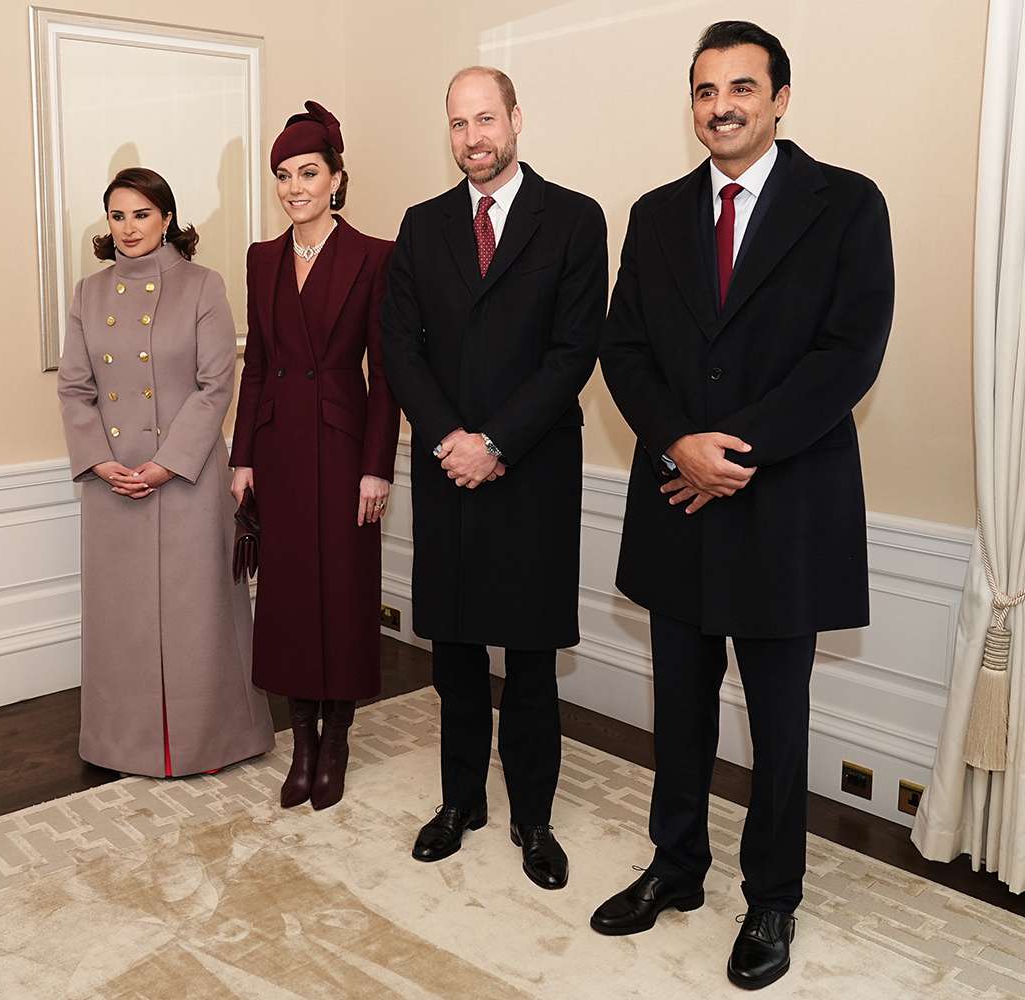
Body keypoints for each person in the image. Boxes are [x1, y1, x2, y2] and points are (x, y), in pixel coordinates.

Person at [592, 21, 894, 990]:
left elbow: (849, 353)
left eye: (741, 88)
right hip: (678, 499)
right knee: (677, 708)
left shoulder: (845, 205)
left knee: (778, 719)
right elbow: (623, 347)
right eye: (704, 90)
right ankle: (676, 866)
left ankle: (773, 897)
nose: (720, 105)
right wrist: (680, 442)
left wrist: (737, 453)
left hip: (783, 510)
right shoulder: (654, 212)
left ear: (781, 97)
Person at [381, 67, 606, 891]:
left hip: (533, 470)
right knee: (456, 652)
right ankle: (458, 803)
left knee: (534, 659)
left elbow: (574, 351)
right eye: (457, 124)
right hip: (448, 471)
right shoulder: (422, 225)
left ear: (516, 119)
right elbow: (399, 346)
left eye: (485, 119)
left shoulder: (575, 219)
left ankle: (533, 818)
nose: (472, 137)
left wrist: (498, 441)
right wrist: (450, 438)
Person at [58, 167, 275, 778]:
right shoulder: (87, 294)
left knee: (200, 613)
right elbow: (75, 390)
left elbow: (215, 386)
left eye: (141, 214)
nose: (128, 228)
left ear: (168, 219)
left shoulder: (203, 286)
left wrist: (165, 464)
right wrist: (101, 461)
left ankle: (216, 741)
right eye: (118, 216)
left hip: (188, 476)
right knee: (121, 619)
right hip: (113, 483)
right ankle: (120, 744)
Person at [231, 101, 399, 811]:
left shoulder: (375, 256)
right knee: (291, 597)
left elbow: (387, 372)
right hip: (276, 447)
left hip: (343, 442)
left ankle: (337, 740)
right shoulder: (262, 258)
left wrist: (378, 466)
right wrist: (242, 456)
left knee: (344, 594)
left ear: (336, 178)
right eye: (282, 175)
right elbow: (257, 362)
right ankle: (300, 739)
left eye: (307, 172)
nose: (293, 186)